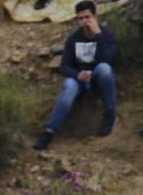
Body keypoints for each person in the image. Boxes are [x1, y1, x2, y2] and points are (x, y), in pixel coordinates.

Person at [33, 0, 117, 151]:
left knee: (105, 69)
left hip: (99, 78)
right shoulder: (73, 39)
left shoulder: (106, 36)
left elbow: (109, 59)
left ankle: (109, 115)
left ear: (95, 17)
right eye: (81, 18)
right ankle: (49, 131)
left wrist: (98, 35)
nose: (85, 22)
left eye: (87, 17)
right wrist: (78, 74)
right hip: (80, 79)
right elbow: (64, 66)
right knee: (68, 86)